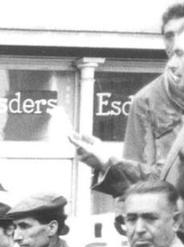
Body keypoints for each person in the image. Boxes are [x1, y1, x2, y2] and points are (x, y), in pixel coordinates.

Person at [75, 5, 184, 198]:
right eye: (169, 35)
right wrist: (108, 161)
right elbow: (142, 183)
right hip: (170, 214)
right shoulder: (147, 100)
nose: (176, 42)